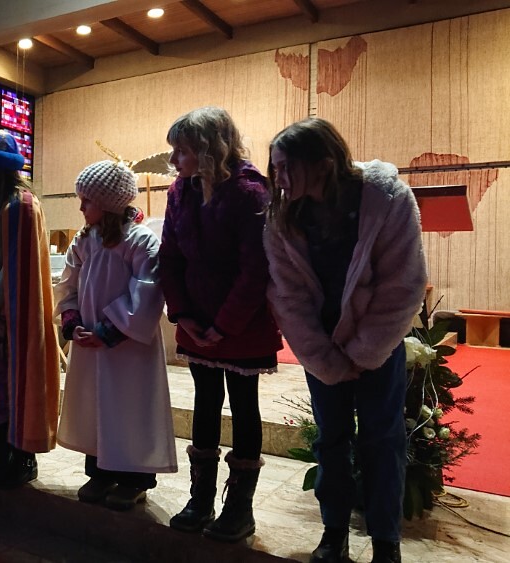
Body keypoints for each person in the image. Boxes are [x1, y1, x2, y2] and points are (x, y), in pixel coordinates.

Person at [264, 117, 425, 563]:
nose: (278, 178)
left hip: (378, 344)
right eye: (275, 167)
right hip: (324, 349)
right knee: (330, 439)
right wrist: (326, 359)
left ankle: (386, 542)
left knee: (383, 439)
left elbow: (403, 285)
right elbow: (287, 295)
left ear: (324, 163)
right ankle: (333, 533)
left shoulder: (387, 201)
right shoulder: (281, 216)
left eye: (286, 167)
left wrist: (363, 353)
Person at [157, 107, 282, 542]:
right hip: (197, 321)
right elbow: (169, 257)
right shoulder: (181, 191)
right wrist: (185, 315)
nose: (174, 160)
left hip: (242, 324)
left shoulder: (249, 192)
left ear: (209, 148)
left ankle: (239, 509)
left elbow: (256, 270)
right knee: (205, 404)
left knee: (244, 407)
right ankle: (201, 499)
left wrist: (224, 325)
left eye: (182, 150)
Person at [54, 160, 177, 510]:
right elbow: (68, 285)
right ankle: (100, 473)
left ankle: (135, 480)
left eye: (87, 201)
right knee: (96, 405)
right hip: (90, 343)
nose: (81, 208)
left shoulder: (140, 240)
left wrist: (108, 331)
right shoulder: (84, 240)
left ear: (108, 204)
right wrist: (73, 322)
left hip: (128, 348)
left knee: (129, 408)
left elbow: (147, 292)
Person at [0, 130, 60, 489]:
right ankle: (0, 452)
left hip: (15, 314)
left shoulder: (21, 206)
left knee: (21, 385)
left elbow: (17, 264)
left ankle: (23, 458)